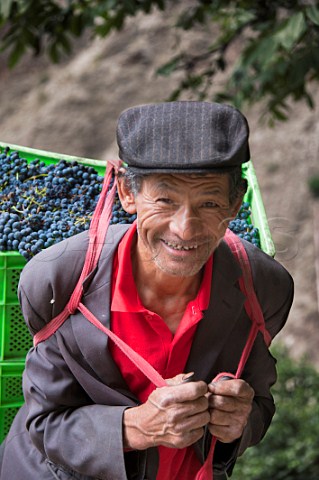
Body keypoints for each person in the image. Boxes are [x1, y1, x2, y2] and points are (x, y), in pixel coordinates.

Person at [0, 101, 293, 480]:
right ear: (126, 193)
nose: (185, 230)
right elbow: (44, 423)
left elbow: (259, 405)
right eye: (165, 200)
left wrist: (239, 421)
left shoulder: (261, 288)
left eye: (209, 202)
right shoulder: (60, 281)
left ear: (235, 203)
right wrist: (136, 426)